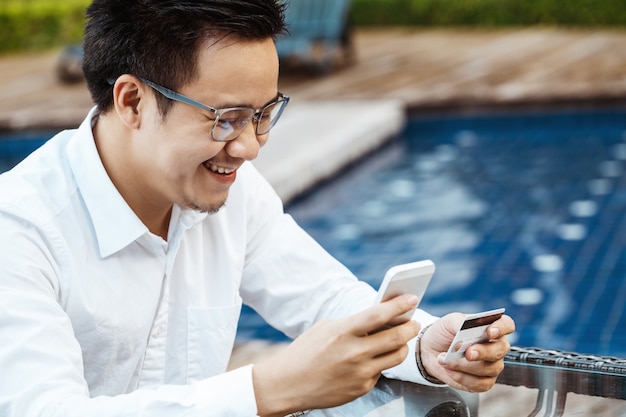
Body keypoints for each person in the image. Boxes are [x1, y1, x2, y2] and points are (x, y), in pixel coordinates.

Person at [0, 1, 515, 416]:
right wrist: (268, 390)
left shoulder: (231, 193)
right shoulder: (20, 230)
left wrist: (424, 345)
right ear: (133, 102)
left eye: (263, 114)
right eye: (226, 119)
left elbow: (324, 297)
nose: (248, 147)